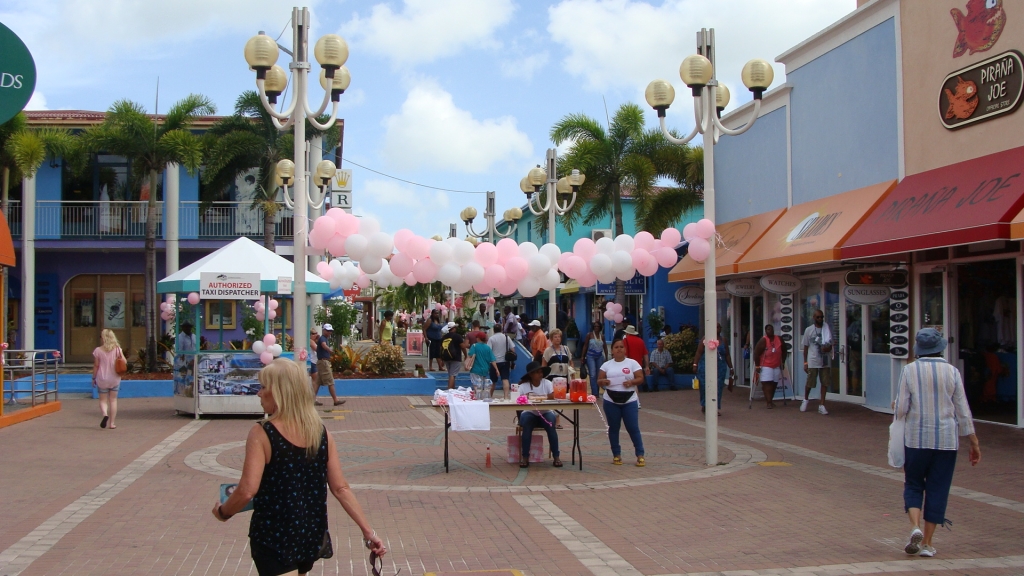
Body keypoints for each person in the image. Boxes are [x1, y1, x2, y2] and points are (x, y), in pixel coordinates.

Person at [212, 359, 386, 575]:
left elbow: (247, 490)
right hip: (309, 534)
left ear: (279, 392)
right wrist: (369, 533)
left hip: (275, 537)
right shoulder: (320, 432)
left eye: (263, 387)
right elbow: (341, 488)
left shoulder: (263, 433)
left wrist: (223, 512)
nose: (258, 393)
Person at [894, 328, 981, 558]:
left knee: (913, 484)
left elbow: (902, 408)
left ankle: (914, 527)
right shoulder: (952, 372)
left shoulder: (909, 371)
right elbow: (962, 409)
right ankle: (928, 543)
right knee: (938, 489)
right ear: (940, 347)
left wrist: (896, 407)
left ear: (919, 349)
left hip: (916, 439)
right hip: (946, 440)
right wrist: (973, 441)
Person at [597, 340, 646, 467]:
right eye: (616, 347)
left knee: (633, 427)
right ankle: (616, 454)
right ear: (612, 350)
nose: (619, 349)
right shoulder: (606, 365)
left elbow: (640, 378)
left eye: (621, 347)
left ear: (625, 349)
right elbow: (599, 380)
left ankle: (640, 454)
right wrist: (604, 382)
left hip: (629, 399)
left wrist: (632, 382)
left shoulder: (632, 363)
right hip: (611, 400)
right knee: (613, 428)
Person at [516, 361, 562, 468]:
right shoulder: (523, 386)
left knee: (551, 424)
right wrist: (526, 397)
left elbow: (553, 395)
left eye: (541, 372)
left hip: (545, 412)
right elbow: (517, 399)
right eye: (537, 372)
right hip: (529, 412)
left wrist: (539, 397)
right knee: (526, 425)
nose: (540, 374)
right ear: (531, 374)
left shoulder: (547, 383)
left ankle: (556, 456)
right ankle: (525, 457)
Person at [693, 323, 734, 415]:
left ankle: (715, 407)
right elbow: (699, 353)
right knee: (704, 386)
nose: (717, 329)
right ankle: (705, 405)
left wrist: (731, 367)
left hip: (720, 367)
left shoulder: (724, 340)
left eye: (718, 327)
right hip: (705, 366)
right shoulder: (705, 339)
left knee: (718, 387)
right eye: (715, 327)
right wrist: (695, 364)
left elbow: (727, 355)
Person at [801, 309, 833, 415]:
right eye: (818, 317)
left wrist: (827, 349)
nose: (820, 319)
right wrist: (805, 363)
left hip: (824, 361)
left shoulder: (826, 329)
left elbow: (831, 345)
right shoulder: (808, 330)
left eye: (822, 317)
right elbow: (805, 348)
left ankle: (822, 405)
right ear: (814, 317)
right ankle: (805, 400)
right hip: (813, 360)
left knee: (824, 383)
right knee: (810, 382)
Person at [92, 329, 124, 429]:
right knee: (113, 400)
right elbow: (124, 361)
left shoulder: (98, 350)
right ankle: (112, 423)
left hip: (102, 378)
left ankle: (105, 415)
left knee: (103, 400)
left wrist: (93, 378)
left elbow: (96, 365)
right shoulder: (118, 349)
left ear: (103, 338)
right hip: (115, 378)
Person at [542, 328, 573, 429]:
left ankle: (557, 418)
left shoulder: (565, 349)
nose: (557, 339)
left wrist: (572, 374)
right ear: (551, 339)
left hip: (564, 378)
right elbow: (544, 364)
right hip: (552, 378)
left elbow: (570, 362)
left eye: (559, 336)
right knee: (554, 399)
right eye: (555, 337)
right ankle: (554, 420)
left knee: (561, 399)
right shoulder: (548, 351)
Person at [753, 324, 788, 409]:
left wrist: (782, 362)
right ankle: (768, 402)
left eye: (771, 329)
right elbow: (756, 353)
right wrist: (757, 366)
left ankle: (770, 400)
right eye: (768, 329)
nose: (770, 331)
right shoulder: (763, 340)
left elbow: (784, 350)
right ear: (766, 331)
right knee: (767, 383)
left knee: (774, 383)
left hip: (776, 365)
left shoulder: (779, 339)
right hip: (765, 365)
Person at [315, 324, 345, 406]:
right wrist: (330, 351)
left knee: (317, 382)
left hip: (322, 362)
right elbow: (324, 345)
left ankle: (311, 399)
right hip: (324, 362)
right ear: (324, 330)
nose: (329, 332)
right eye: (328, 330)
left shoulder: (324, 338)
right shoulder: (322, 338)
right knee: (330, 381)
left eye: (330, 331)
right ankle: (335, 400)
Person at [465, 329, 499, 397]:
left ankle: (477, 398)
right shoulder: (488, 348)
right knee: (481, 385)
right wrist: (496, 369)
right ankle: (480, 398)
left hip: (475, 369)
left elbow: (470, 355)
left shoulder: (474, 346)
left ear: (478, 338)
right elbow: (493, 360)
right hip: (485, 370)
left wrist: (466, 363)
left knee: (476, 385)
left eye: (476, 337)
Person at [487, 324, 515, 399]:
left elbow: (488, 351)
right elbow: (512, 349)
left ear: (494, 330)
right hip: (505, 362)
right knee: (505, 379)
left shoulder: (491, 339)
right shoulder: (506, 337)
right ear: (502, 329)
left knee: (493, 381)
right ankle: (506, 396)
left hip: (494, 362)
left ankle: (490, 396)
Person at [580, 324, 608, 397]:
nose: (596, 327)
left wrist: (607, 357)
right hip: (590, 356)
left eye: (598, 326)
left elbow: (605, 347)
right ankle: (594, 393)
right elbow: (585, 345)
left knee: (599, 375)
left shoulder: (602, 336)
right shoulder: (589, 335)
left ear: (600, 328)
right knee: (592, 374)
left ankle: (597, 392)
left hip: (599, 357)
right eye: (595, 326)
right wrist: (582, 356)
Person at [439, 322, 466, 389]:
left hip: (446, 358)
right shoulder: (457, 336)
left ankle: (452, 389)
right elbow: (462, 346)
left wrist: (442, 360)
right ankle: (449, 390)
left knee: (451, 374)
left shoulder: (444, 337)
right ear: (454, 328)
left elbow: (441, 348)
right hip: (456, 358)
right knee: (452, 375)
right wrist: (465, 355)